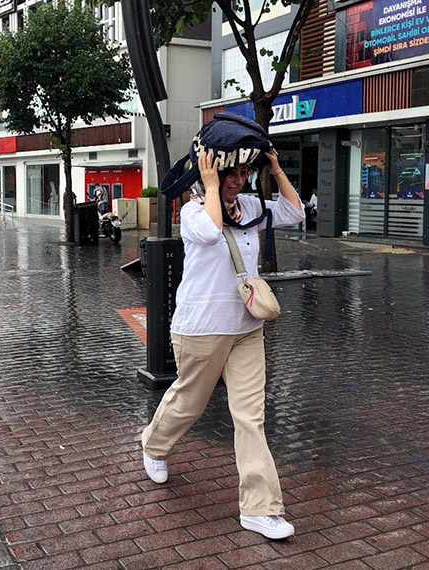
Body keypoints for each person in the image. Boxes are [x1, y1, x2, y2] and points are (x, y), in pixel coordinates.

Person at [141, 148, 305, 541]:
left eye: (244, 172)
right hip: (202, 328)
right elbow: (212, 231)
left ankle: (260, 508)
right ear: (212, 173)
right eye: (231, 173)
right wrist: (210, 185)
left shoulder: (249, 205)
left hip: (247, 327)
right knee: (190, 402)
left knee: (250, 417)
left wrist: (276, 169)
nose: (238, 180)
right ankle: (154, 444)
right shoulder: (196, 212)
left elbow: (296, 212)